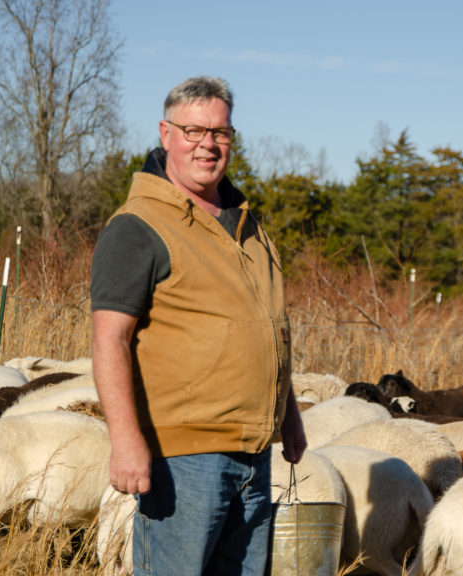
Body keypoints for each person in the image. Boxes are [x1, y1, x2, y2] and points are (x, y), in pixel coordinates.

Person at [90, 75, 306, 576]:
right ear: (166, 134)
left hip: (254, 452)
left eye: (221, 133)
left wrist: (288, 416)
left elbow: (269, 329)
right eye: (194, 131)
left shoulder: (247, 227)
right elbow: (110, 340)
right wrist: (125, 441)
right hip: (184, 458)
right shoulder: (138, 227)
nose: (208, 145)